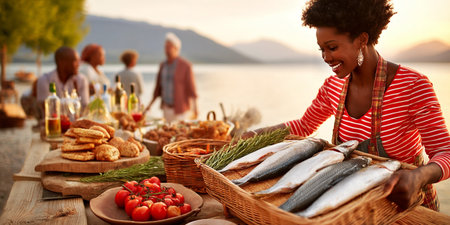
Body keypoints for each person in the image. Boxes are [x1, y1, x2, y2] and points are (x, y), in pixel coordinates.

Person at [243, 0, 450, 212]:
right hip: (353, 211)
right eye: (322, 49)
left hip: (410, 210)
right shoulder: (333, 86)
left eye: (332, 47)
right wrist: (256, 134)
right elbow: (303, 126)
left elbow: (445, 152)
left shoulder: (412, 85)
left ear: (362, 39)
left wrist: (419, 175)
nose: (325, 57)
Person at [144, 32, 198, 122]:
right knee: (167, 133)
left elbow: (192, 89)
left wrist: (195, 108)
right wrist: (149, 106)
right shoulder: (162, 65)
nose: (166, 49)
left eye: (169, 47)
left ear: (176, 48)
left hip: (181, 110)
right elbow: (157, 89)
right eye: (165, 47)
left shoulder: (186, 66)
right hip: (166, 109)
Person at [36, 46, 89, 121]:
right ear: (61, 63)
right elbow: (48, 110)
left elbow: (85, 108)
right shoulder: (45, 80)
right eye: (75, 61)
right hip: (53, 125)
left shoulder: (81, 80)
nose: (79, 64)